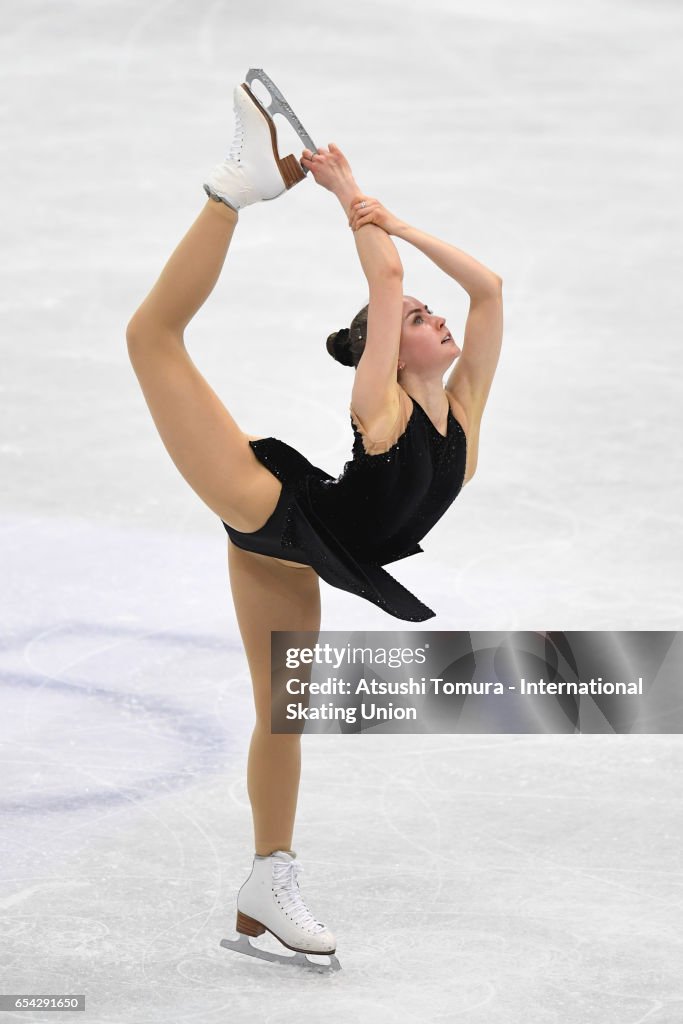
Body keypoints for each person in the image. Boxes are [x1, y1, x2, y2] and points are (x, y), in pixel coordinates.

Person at [125, 71, 503, 972]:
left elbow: (486, 289)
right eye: (416, 320)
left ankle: (268, 879)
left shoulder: (465, 412)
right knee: (151, 339)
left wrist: (394, 218)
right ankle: (229, 191)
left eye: (423, 316)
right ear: (386, 344)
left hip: (305, 554)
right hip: (268, 503)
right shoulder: (379, 406)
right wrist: (346, 194)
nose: (433, 318)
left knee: (281, 713)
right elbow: (385, 280)